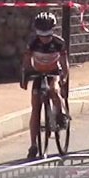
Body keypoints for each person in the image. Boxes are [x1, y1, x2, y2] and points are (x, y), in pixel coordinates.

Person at [21, 12, 70, 160]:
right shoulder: (32, 42)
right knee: (35, 107)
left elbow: (64, 64)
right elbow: (26, 62)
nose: (45, 39)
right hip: (38, 73)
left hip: (54, 72)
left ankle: (60, 113)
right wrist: (25, 76)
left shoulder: (59, 43)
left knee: (54, 89)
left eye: (47, 35)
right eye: (42, 35)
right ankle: (33, 145)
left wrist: (64, 78)